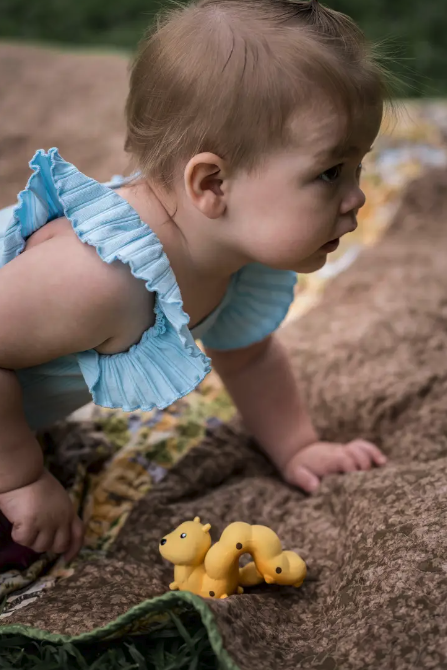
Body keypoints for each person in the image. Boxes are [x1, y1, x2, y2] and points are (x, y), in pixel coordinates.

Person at [0, 0, 389, 562]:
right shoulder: (101, 279)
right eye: (330, 172)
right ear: (212, 183)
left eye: (359, 167)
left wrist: (299, 447)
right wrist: (21, 479)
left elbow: (248, 357)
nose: (356, 198)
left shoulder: (231, 252)